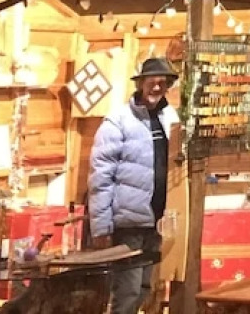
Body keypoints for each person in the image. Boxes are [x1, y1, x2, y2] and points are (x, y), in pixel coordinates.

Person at [88, 57, 180, 314]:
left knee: (145, 288)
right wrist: (101, 226)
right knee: (126, 292)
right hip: (128, 223)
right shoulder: (118, 120)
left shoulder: (170, 116)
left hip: (158, 220)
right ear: (141, 83)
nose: (157, 87)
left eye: (163, 83)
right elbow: (100, 176)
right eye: (152, 81)